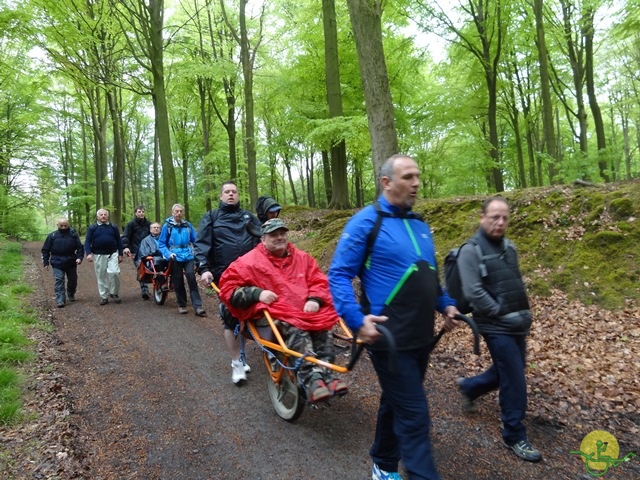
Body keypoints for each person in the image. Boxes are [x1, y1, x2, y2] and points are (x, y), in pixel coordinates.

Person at [328, 154, 461, 480]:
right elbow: (339, 275)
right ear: (386, 182)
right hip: (385, 336)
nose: (416, 183)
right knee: (415, 414)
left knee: (397, 400)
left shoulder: (420, 224)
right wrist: (357, 320)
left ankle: (383, 464)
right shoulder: (365, 222)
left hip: (420, 335)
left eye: (417, 175)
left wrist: (446, 305)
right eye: (408, 177)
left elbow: (428, 279)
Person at [219, 218, 347, 400]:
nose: (279, 237)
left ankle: (327, 374)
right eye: (274, 235)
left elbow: (318, 281)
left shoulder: (302, 258)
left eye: (282, 233)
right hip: (274, 314)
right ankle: (312, 379)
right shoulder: (248, 262)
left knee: (323, 328)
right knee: (296, 329)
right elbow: (228, 289)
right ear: (263, 239)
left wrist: (315, 299)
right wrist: (257, 293)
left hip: (302, 310)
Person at [455, 196, 542, 462]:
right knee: (514, 377)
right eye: (494, 217)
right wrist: (499, 310)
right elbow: (473, 291)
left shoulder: (510, 247)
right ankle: (514, 434)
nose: (500, 222)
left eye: (504, 217)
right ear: (482, 218)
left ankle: (470, 387)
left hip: (516, 323)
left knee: (507, 369)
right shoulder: (470, 250)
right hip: (494, 325)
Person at [195, 181, 261, 384]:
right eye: (227, 192)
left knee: (257, 313)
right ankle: (237, 362)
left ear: (238, 195)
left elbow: (261, 242)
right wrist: (204, 269)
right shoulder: (212, 217)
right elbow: (202, 245)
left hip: (252, 275)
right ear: (221, 196)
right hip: (224, 275)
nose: (231, 194)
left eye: (234, 191)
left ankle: (252, 353)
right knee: (230, 314)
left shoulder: (249, 217)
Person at [158, 204, 206, 316]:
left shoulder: (187, 225)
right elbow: (161, 244)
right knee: (178, 280)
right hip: (175, 257)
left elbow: (196, 240)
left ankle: (198, 306)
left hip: (188, 255)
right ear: (172, 212)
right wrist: (168, 253)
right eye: (176, 211)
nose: (179, 213)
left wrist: (198, 252)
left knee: (191, 278)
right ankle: (182, 304)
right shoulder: (167, 226)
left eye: (180, 211)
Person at [41, 218, 84, 308]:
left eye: (65, 225)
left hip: (71, 261)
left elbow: (80, 248)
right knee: (59, 279)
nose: (64, 227)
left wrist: (79, 258)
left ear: (68, 225)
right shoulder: (52, 236)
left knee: (73, 280)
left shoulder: (73, 235)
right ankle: (60, 299)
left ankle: (71, 293)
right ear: (58, 225)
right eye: (61, 225)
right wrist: (46, 262)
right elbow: (45, 250)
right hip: (57, 261)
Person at [84, 209, 124, 305]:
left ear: (108, 216)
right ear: (97, 217)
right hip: (98, 254)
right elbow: (87, 241)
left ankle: (114, 293)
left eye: (105, 214)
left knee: (114, 272)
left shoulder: (113, 227)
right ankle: (104, 296)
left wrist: (121, 254)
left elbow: (119, 241)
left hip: (113, 253)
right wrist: (88, 253)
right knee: (101, 276)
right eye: (101, 215)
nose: (103, 216)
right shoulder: (92, 228)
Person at [121, 205, 152, 299]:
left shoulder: (149, 224)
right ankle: (144, 289)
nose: (141, 213)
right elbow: (125, 236)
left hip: (148, 251)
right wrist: (125, 247)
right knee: (141, 267)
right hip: (135, 251)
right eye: (139, 211)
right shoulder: (130, 224)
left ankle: (158, 288)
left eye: (143, 211)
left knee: (153, 268)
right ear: (135, 213)